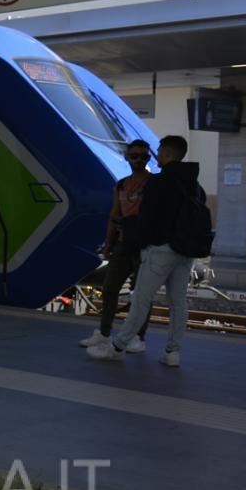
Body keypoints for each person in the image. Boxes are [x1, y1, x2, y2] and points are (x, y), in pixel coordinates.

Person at [88, 135, 205, 368]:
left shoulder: (158, 183)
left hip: (161, 250)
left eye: (160, 151)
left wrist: (141, 242)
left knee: (140, 297)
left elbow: (147, 219)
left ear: (168, 155)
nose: (157, 156)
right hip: (186, 251)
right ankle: (173, 352)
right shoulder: (194, 184)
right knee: (178, 302)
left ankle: (118, 346)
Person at [80, 140, 153, 352]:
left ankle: (137, 337)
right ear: (127, 157)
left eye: (143, 156)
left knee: (140, 293)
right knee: (110, 288)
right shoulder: (121, 185)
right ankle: (103, 334)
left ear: (149, 158)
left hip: (145, 246)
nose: (139, 160)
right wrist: (108, 243)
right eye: (134, 156)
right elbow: (114, 215)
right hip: (123, 243)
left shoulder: (154, 183)